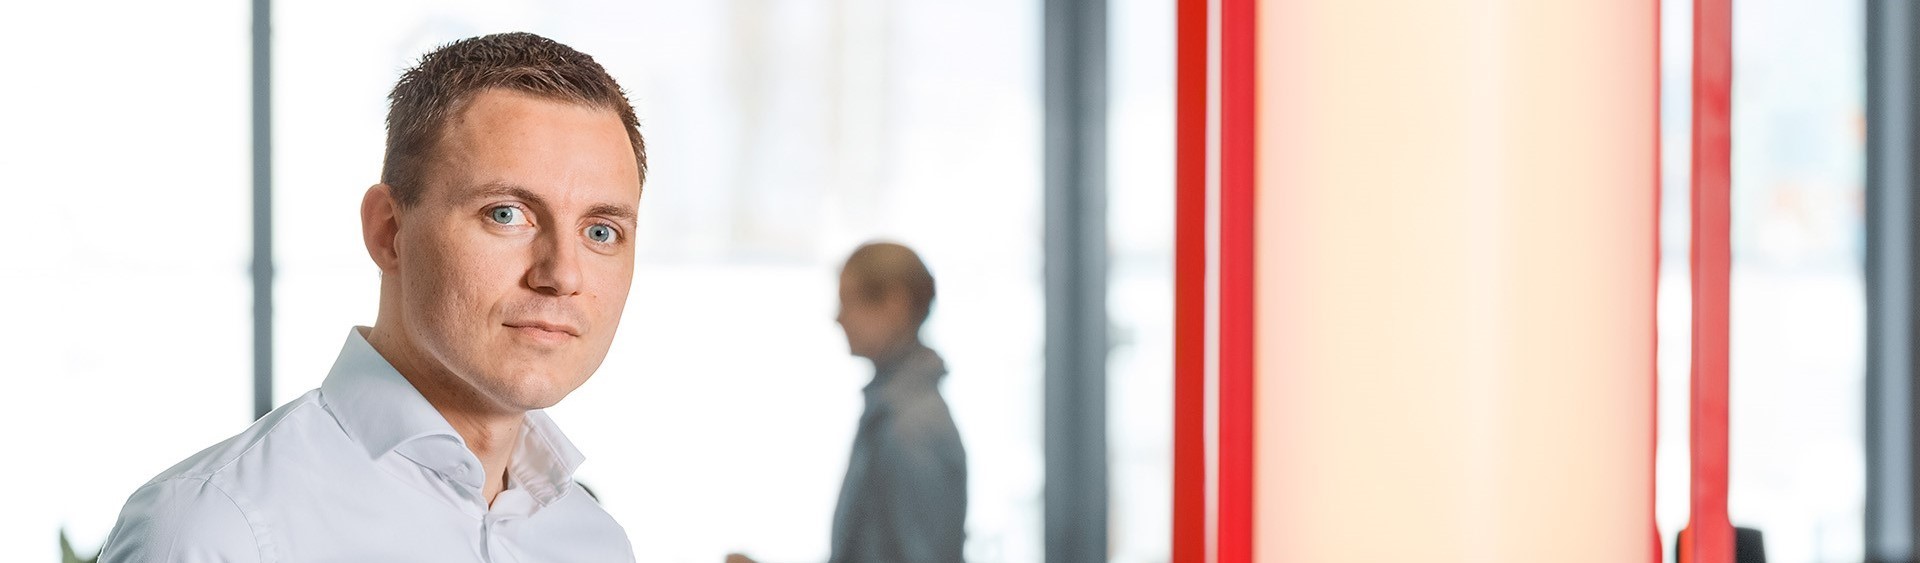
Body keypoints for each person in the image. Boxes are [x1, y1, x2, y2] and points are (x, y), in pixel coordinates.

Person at [99, 32, 647, 562]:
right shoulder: (218, 529)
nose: (561, 274)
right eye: (505, 214)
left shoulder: (596, 543)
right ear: (389, 231)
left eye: (601, 231)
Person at [827, 242, 969, 562]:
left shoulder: (910, 426)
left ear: (894, 304)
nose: (838, 317)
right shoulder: (890, 410)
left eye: (848, 301)